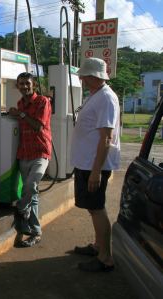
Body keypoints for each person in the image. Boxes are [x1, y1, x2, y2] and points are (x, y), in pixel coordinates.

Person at [70, 57, 120, 272]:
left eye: (84, 75)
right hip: (87, 163)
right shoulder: (96, 95)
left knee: (97, 209)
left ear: (93, 76)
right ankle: (98, 246)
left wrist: (96, 172)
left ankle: (105, 258)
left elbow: (106, 138)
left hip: (93, 165)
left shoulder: (106, 98)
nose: (81, 78)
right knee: (92, 208)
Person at [8, 72, 52, 247]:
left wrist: (21, 115)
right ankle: (36, 232)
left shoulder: (42, 101)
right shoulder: (20, 104)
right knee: (32, 195)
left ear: (33, 84)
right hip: (24, 153)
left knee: (30, 185)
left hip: (41, 152)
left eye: (27, 83)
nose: (24, 86)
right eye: (21, 84)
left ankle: (19, 209)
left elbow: (38, 126)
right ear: (17, 86)